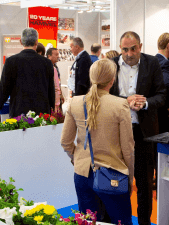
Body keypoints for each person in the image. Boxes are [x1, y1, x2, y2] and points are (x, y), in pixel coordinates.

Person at [60, 59, 135, 225]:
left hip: (82, 174)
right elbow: (128, 148)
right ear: (112, 80)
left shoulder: (75, 103)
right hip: (113, 174)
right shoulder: (120, 105)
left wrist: (76, 158)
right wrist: (130, 176)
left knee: (88, 222)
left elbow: (65, 141)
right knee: (121, 221)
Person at [109, 31, 167, 225]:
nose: (129, 54)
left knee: (144, 182)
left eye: (133, 49)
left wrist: (146, 103)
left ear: (140, 46)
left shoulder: (152, 63)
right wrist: (126, 101)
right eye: (125, 49)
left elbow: (162, 95)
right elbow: (104, 97)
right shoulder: (112, 65)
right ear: (120, 49)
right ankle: (121, 220)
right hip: (118, 131)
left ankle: (144, 222)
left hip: (145, 132)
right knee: (118, 180)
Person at [0, 28, 55, 118]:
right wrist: (52, 108)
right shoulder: (47, 63)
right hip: (41, 113)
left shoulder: (11, 61)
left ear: (21, 42)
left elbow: (4, 87)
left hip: (19, 112)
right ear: (36, 42)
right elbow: (51, 89)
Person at [47, 47, 64, 112]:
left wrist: (61, 95)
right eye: (56, 54)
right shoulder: (48, 68)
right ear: (49, 56)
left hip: (57, 98)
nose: (58, 56)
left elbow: (57, 83)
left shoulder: (55, 67)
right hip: (52, 100)